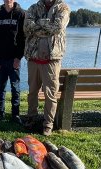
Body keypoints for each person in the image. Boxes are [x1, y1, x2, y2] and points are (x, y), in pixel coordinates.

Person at [23, 0, 70, 136]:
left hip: (52, 59)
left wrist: (38, 24)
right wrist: (47, 26)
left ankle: (48, 124)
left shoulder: (63, 8)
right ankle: (32, 118)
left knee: (50, 94)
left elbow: (58, 27)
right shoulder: (33, 7)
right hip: (33, 57)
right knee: (32, 92)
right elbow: (26, 27)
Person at [0, 0, 25, 125]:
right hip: (0, 58)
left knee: (15, 88)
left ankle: (15, 114)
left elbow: (23, 38)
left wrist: (18, 57)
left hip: (14, 59)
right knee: (1, 87)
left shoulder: (21, 14)